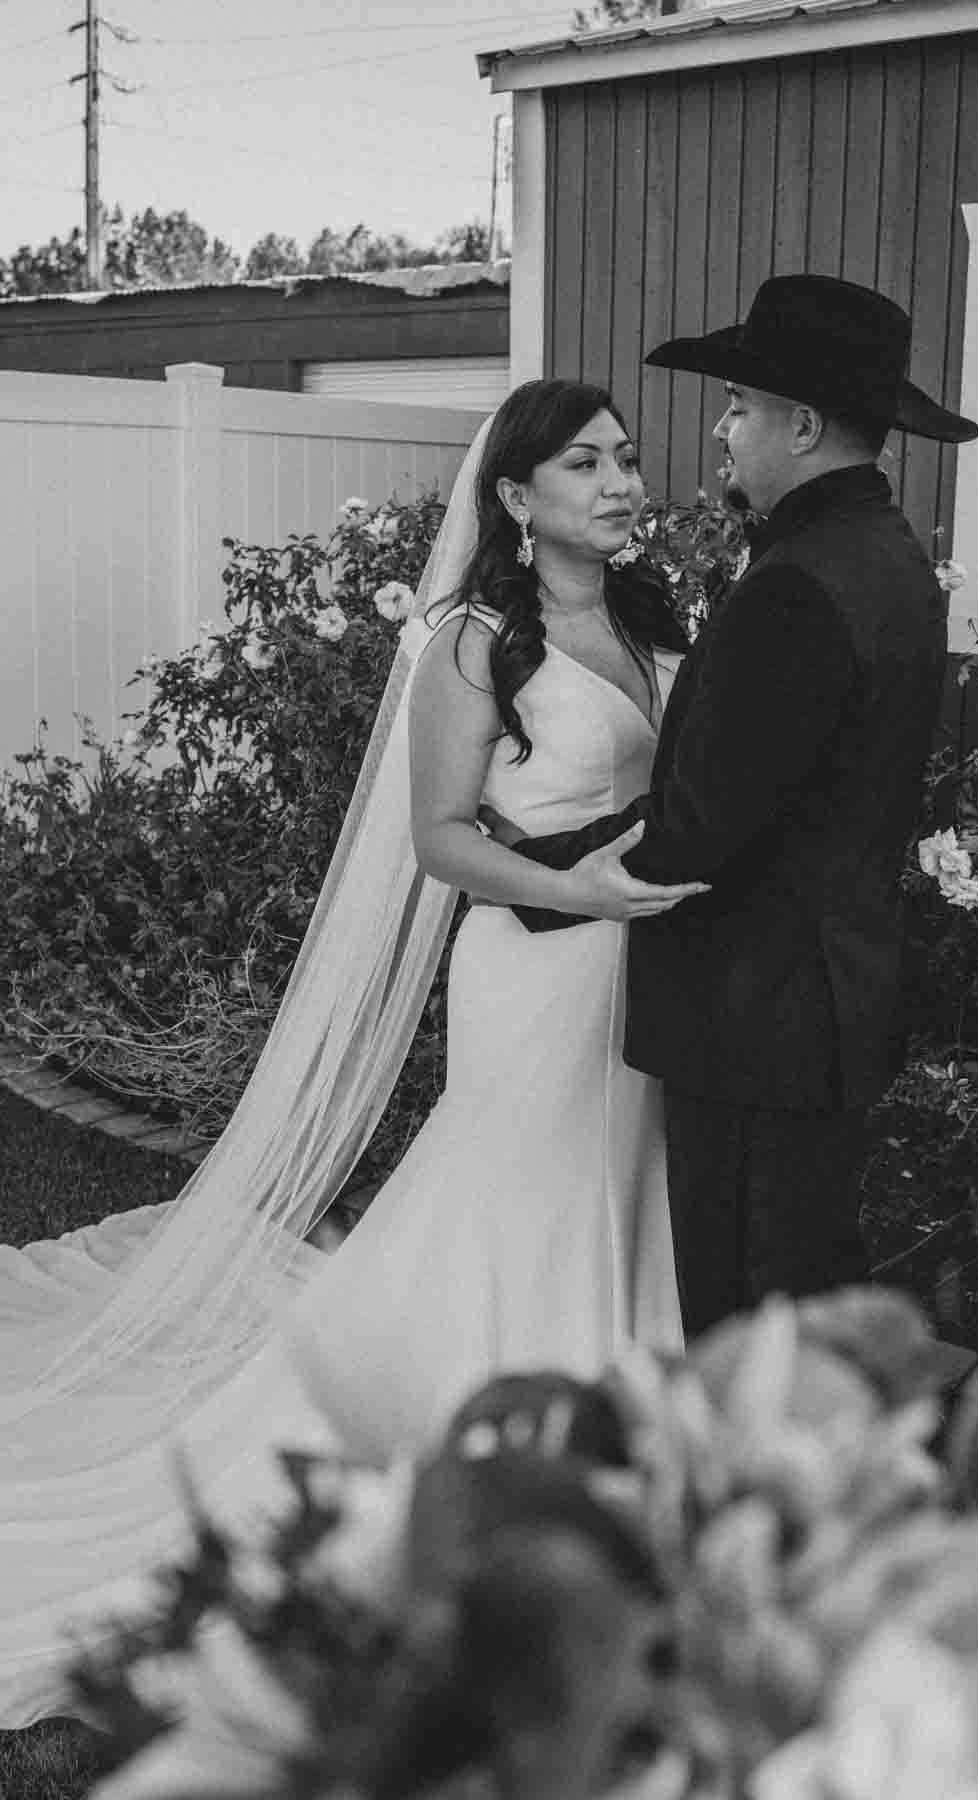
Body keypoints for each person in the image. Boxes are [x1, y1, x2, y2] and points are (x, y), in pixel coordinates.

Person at [0, 378, 702, 1727]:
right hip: (539, 963)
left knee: (619, 1177)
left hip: (645, 966)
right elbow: (442, 838)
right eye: (586, 464)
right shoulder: (470, 642)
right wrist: (593, 895)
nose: (621, 482)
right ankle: (490, 1417)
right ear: (513, 495)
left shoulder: (646, 617)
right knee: (516, 1186)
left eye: (625, 459)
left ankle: (605, 1397)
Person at [491, 275, 978, 1339]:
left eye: (742, 407)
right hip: (819, 996)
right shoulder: (885, 557)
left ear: (801, 427)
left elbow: (707, 824)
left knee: (744, 1318)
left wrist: (535, 877)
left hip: (758, 1015)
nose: (723, 426)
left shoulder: (800, 584)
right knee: (798, 1302)